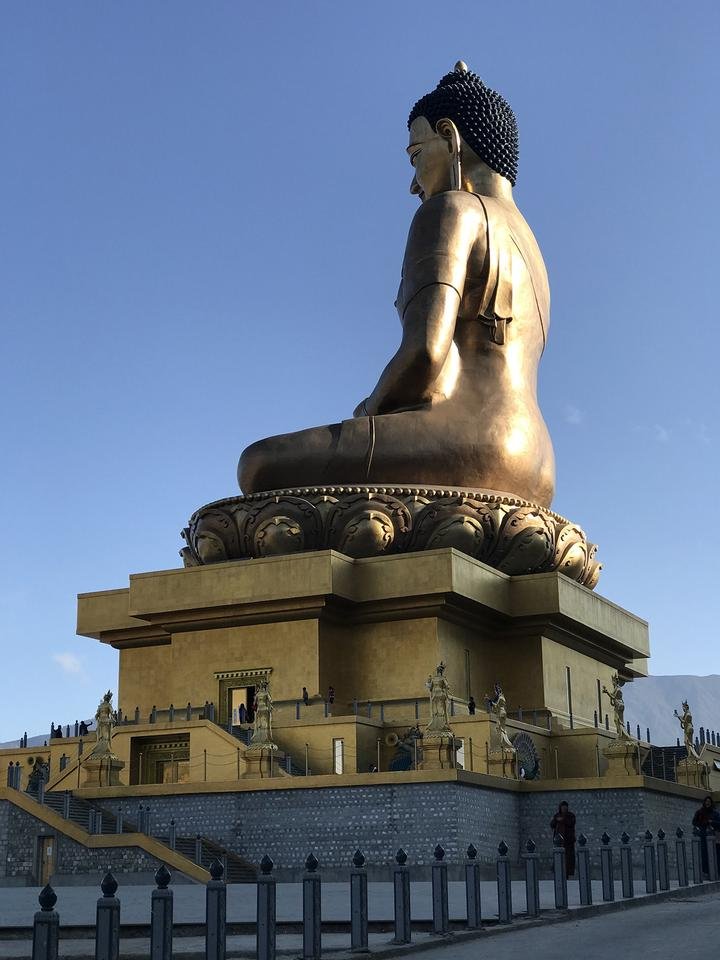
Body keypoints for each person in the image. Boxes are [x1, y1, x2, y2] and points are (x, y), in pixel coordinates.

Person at [238, 62, 555, 509]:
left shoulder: (453, 210)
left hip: (466, 441)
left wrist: (368, 411)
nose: (413, 184)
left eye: (416, 155)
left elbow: (425, 353)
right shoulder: (531, 243)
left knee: (259, 464)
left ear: (450, 137)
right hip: (536, 460)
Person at [692, 796, 720, 876]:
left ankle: (717, 871)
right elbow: (694, 822)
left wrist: (712, 822)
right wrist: (702, 823)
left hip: (714, 837)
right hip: (703, 835)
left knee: (716, 854)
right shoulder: (699, 812)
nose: (707, 803)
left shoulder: (715, 813)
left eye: (709, 801)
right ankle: (706, 871)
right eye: (706, 801)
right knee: (704, 854)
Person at [550, 801, 576, 878]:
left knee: (568, 859)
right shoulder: (557, 816)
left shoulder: (570, 815)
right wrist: (557, 820)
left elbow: (571, 823)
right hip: (558, 842)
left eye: (565, 807)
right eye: (563, 807)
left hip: (568, 841)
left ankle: (567, 873)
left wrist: (563, 819)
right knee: (558, 858)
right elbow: (552, 824)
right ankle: (558, 872)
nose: (564, 809)